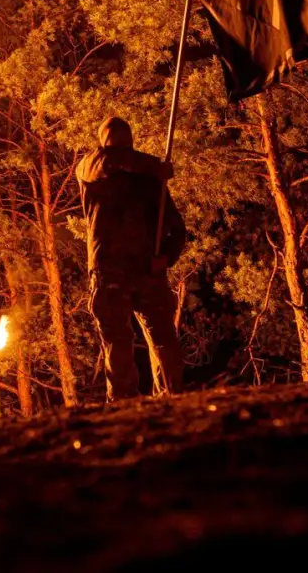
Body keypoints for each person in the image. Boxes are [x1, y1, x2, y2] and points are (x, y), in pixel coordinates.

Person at [77, 117, 189, 401]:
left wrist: (165, 258)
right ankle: (126, 403)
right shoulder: (91, 166)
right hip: (110, 271)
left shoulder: (150, 183)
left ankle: (170, 397)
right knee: (119, 340)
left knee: (160, 338)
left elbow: (176, 229)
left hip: (142, 271)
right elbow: (110, 160)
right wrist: (156, 167)